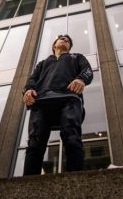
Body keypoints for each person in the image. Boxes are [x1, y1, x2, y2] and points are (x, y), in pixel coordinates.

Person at [23, 34, 93, 175]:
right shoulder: (43, 63)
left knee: (72, 137)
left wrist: (81, 79)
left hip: (69, 99)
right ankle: (28, 183)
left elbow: (88, 70)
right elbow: (32, 80)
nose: (65, 40)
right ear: (54, 45)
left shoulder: (77, 57)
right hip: (41, 102)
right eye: (62, 39)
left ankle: (76, 179)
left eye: (68, 41)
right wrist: (28, 90)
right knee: (35, 143)